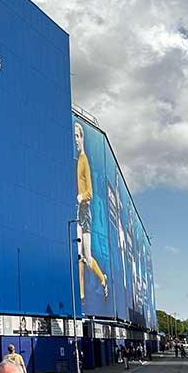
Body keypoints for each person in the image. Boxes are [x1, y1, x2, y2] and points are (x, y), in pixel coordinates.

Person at [74, 121, 109, 301]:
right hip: (77, 211)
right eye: (74, 137)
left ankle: (103, 279)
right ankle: (80, 294)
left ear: (83, 138)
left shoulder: (84, 161)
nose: (76, 140)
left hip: (85, 211)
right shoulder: (76, 161)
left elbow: (90, 192)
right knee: (78, 255)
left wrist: (81, 197)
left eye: (78, 136)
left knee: (87, 258)